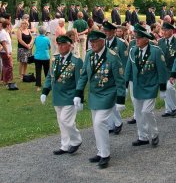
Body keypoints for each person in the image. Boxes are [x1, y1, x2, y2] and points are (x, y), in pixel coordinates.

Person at [76, 30, 126, 169]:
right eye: (91, 42)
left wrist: (121, 99)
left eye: (95, 42)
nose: (92, 44)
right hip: (94, 95)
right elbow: (84, 75)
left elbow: (120, 79)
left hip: (108, 94)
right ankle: (100, 151)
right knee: (96, 124)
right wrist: (78, 93)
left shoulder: (112, 57)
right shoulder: (90, 55)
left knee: (99, 123)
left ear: (102, 41)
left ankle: (105, 154)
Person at [40, 35, 83, 155]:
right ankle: (65, 145)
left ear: (70, 45)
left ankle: (76, 140)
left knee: (66, 120)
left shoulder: (76, 60)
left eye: (63, 44)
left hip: (70, 96)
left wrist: (80, 97)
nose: (61, 47)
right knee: (61, 122)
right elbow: (50, 76)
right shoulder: (55, 59)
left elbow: (80, 80)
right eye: (59, 44)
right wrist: (45, 91)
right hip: (57, 95)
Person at [126, 27, 167, 145]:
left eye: (139, 38)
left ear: (146, 40)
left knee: (146, 111)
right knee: (138, 112)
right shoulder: (133, 51)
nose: (136, 40)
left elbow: (162, 70)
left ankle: (154, 134)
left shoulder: (155, 51)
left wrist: (163, 88)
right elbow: (129, 68)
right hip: (138, 87)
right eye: (135, 38)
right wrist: (125, 85)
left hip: (151, 86)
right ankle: (142, 136)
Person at [102, 21, 128, 134]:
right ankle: (111, 124)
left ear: (113, 32)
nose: (106, 33)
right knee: (107, 100)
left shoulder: (121, 44)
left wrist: (124, 79)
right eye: (104, 31)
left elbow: (125, 62)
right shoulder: (103, 43)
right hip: (105, 75)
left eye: (107, 31)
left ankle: (117, 122)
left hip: (117, 76)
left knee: (112, 99)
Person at [158, 22, 176, 117]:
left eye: (166, 30)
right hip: (163, 70)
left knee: (170, 87)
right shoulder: (160, 42)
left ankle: (173, 107)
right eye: (163, 30)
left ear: (171, 31)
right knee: (164, 89)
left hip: (172, 70)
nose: (164, 32)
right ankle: (168, 109)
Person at [34, 26, 51, 91]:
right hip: (45, 57)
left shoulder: (36, 38)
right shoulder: (47, 39)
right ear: (45, 32)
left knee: (38, 71)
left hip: (37, 57)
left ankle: (38, 86)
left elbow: (36, 45)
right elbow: (49, 47)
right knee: (46, 71)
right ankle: (47, 85)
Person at [0, 20, 14, 87]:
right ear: (7, 25)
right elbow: (4, 44)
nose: (10, 26)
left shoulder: (6, 32)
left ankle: (4, 79)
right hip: (5, 52)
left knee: (6, 66)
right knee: (8, 66)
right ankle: (6, 80)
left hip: (7, 51)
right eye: (9, 25)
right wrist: (7, 53)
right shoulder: (3, 33)